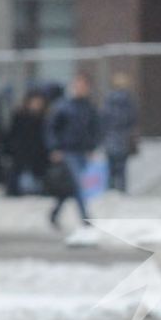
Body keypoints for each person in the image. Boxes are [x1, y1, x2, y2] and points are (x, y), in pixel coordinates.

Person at [44, 70, 103, 227]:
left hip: (82, 152)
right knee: (78, 184)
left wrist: (92, 147)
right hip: (67, 152)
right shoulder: (63, 106)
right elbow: (51, 128)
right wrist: (54, 148)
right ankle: (85, 218)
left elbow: (95, 129)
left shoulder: (89, 108)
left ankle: (55, 213)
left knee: (71, 186)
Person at [4, 90, 51, 196]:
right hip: (21, 158)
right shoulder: (20, 117)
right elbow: (12, 135)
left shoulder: (45, 119)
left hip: (39, 159)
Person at [102, 72, 139, 193]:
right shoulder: (129, 100)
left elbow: (104, 118)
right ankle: (122, 191)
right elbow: (133, 118)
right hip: (124, 138)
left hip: (110, 138)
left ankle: (110, 191)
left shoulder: (108, 100)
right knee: (122, 169)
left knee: (111, 168)